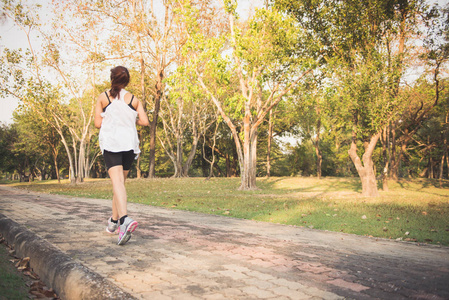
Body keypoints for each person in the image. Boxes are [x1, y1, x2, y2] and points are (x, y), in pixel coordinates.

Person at [94, 66, 150, 245]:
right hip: (129, 145)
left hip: (112, 143)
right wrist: (128, 117)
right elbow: (144, 121)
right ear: (127, 81)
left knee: (117, 183)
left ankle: (124, 220)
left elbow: (97, 123)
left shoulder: (103, 97)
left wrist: (112, 119)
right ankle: (112, 222)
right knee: (120, 185)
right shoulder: (133, 99)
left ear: (112, 78)